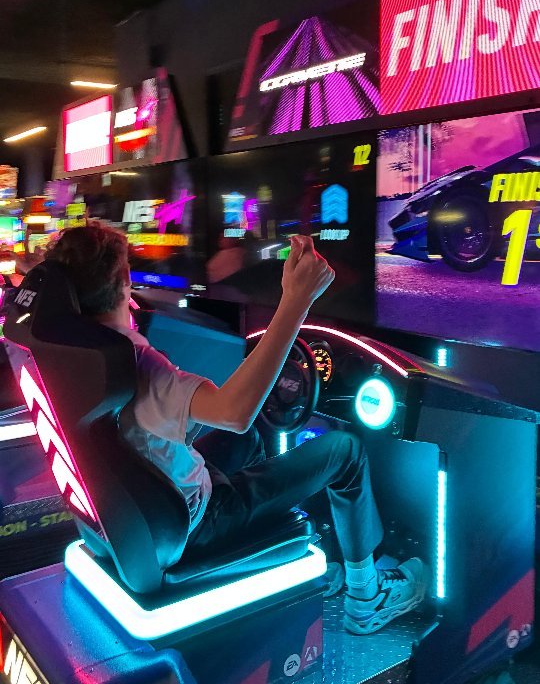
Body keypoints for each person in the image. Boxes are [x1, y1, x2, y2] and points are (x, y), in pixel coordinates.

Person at [45, 224, 428, 634]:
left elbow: (160, 425)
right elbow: (235, 411)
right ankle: (366, 597)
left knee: (251, 436)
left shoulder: (73, 354)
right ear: (125, 280)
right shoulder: (138, 364)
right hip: (195, 521)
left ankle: (299, 541)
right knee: (344, 451)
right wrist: (297, 299)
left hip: (147, 502)